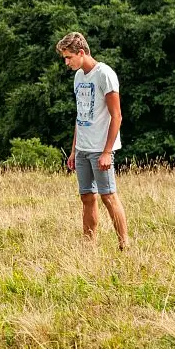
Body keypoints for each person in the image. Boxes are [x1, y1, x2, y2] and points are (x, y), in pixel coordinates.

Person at [56, 32, 129, 250]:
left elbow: (117, 115)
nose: (67, 63)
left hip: (100, 149)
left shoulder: (104, 74)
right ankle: (89, 245)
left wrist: (107, 151)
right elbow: (81, 116)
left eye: (69, 57)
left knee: (108, 196)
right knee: (87, 197)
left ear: (81, 52)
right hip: (82, 149)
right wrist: (73, 151)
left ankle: (125, 243)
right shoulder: (79, 77)